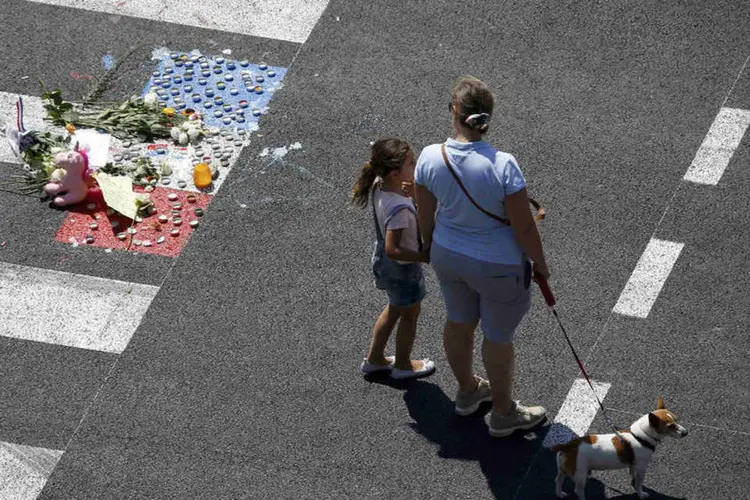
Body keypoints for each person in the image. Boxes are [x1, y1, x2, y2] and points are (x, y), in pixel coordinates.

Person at [415, 76, 550, 437]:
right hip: (498, 265)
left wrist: (430, 247)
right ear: (487, 118)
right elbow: (523, 228)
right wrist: (541, 264)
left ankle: (467, 391)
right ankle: (504, 413)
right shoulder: (503, 165)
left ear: (454, 112)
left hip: (448, 255)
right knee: (497, 335)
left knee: (459, 321)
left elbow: (424, 216)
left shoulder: (429, 156)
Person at [351, 138, 436, 380]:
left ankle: (375, 359)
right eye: (411, 162)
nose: (416, 164)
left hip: (385, 267)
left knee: (394, 309)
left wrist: (414, 196)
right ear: (396, 172)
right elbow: (393, 248)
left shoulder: (381, 186)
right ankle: (403, 365)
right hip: (403, 271)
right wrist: (423, 255)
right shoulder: (399, 208)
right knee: (410, 315)